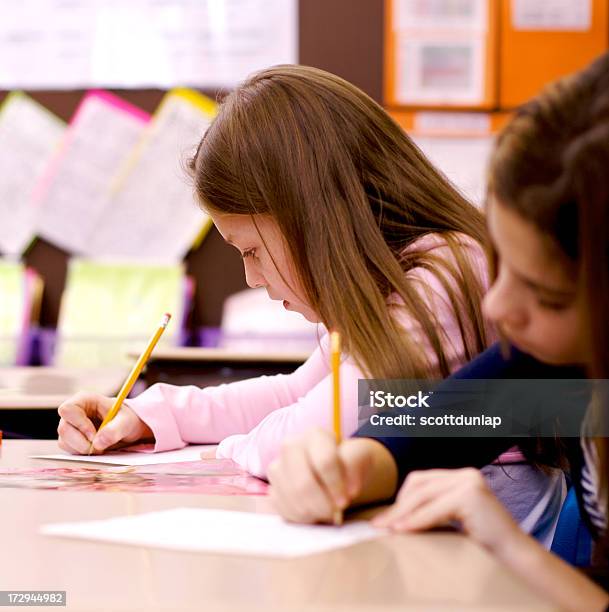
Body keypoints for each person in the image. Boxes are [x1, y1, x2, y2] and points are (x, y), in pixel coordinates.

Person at [60, 66, 524, 499]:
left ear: (315, 219)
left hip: (487, 563)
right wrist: (150, 415)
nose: (251, 276)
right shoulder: (397, 280)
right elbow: (296, 394)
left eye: (253, 251)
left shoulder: (439, 278)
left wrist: (231, 449)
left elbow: (311, 435)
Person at [266, 54, 609, 611]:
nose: (497, 305)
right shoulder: (547, 365)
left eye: (544, 294)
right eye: (500, 264)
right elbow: (440, 424)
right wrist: (349, 467)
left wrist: (515, 552)